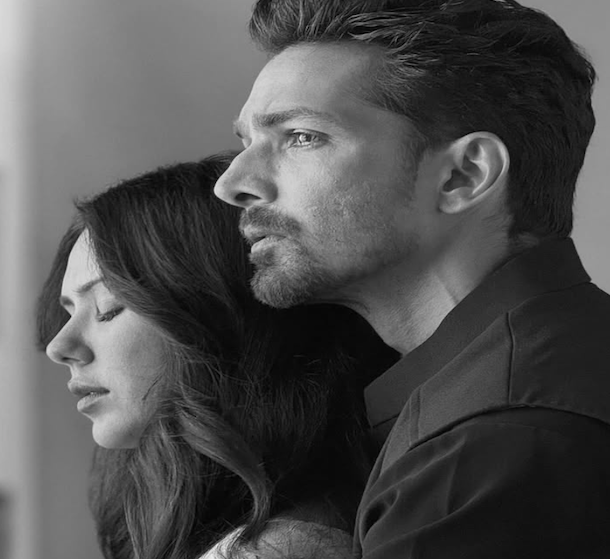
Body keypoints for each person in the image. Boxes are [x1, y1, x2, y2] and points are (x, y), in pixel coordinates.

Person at [213, 0, 610, 557]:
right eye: (246, 142)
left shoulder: (502, 442)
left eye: (301, 137)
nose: (233, 183)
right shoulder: (533, 378)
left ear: (464, 175)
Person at [36, 154, 397, 559]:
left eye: (107, 307)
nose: (59, 346)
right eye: (69, 312)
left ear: (219, 318)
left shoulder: (278, 550)